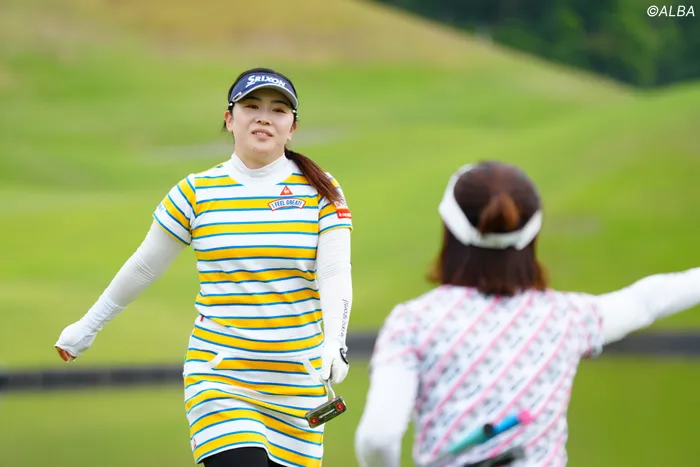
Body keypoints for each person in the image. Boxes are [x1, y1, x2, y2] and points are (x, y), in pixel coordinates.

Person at [55, 67, 354, 467]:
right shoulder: (196, 192)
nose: (264, 117)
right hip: (220, 378)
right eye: (251, 106)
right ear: (230, 119)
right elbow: (144, 267)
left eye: (278, 110)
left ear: (292, 128)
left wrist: (335, 341)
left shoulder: (322, 190)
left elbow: (334, 273)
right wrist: (88, 325)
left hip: (298, 388)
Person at [353, 160, 700, 467]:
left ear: (449, 230)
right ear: (532, 235)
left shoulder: (412, 322)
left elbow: (377, 438)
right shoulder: (567, 317)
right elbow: (646, 302)